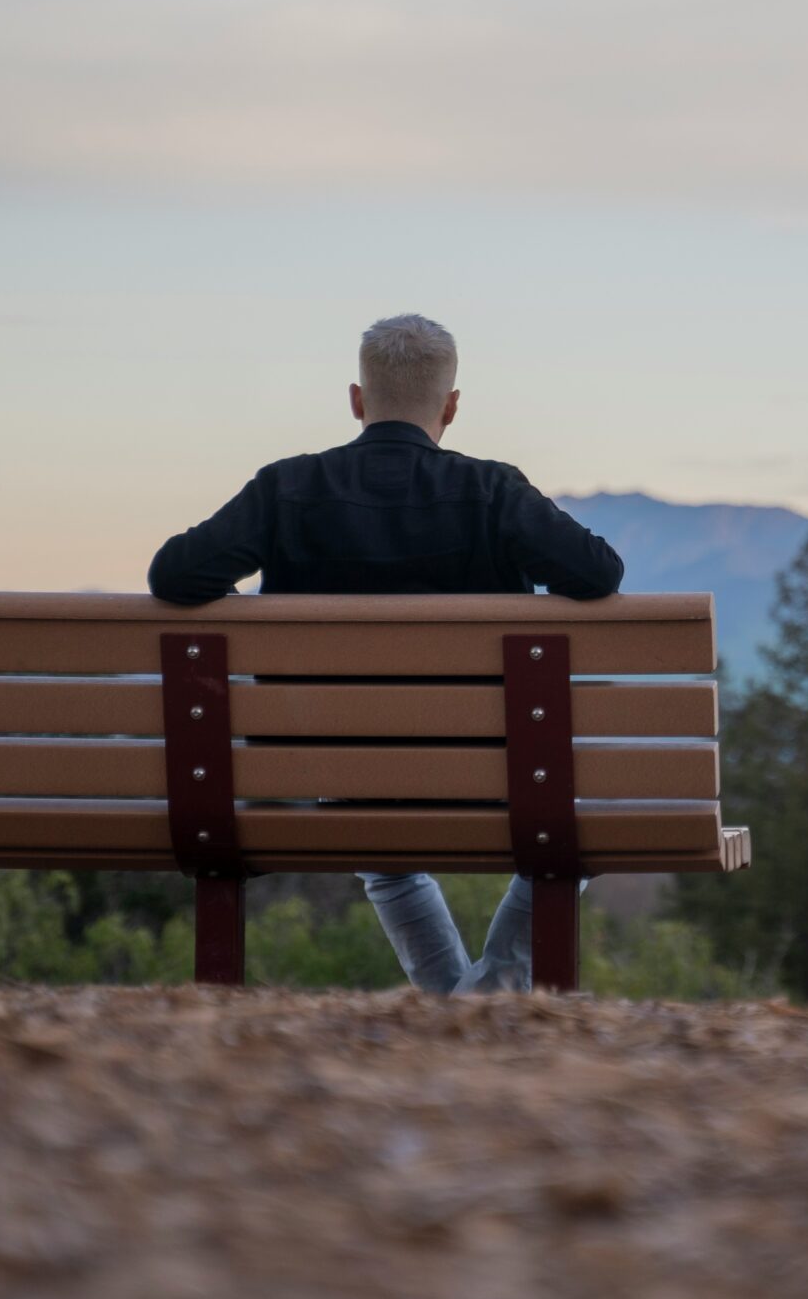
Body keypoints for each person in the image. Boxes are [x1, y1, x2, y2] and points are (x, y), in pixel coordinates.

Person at [147, 313, 623, 993]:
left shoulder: (288, 489)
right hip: (489, 775)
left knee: (388, 853)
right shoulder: (494, 491)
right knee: (582, 828)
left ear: (357, 400)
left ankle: (458, 1007)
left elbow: (175, 574)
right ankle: (486, 1001)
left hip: (337, 775)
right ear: (451, 407)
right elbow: (599, 573)